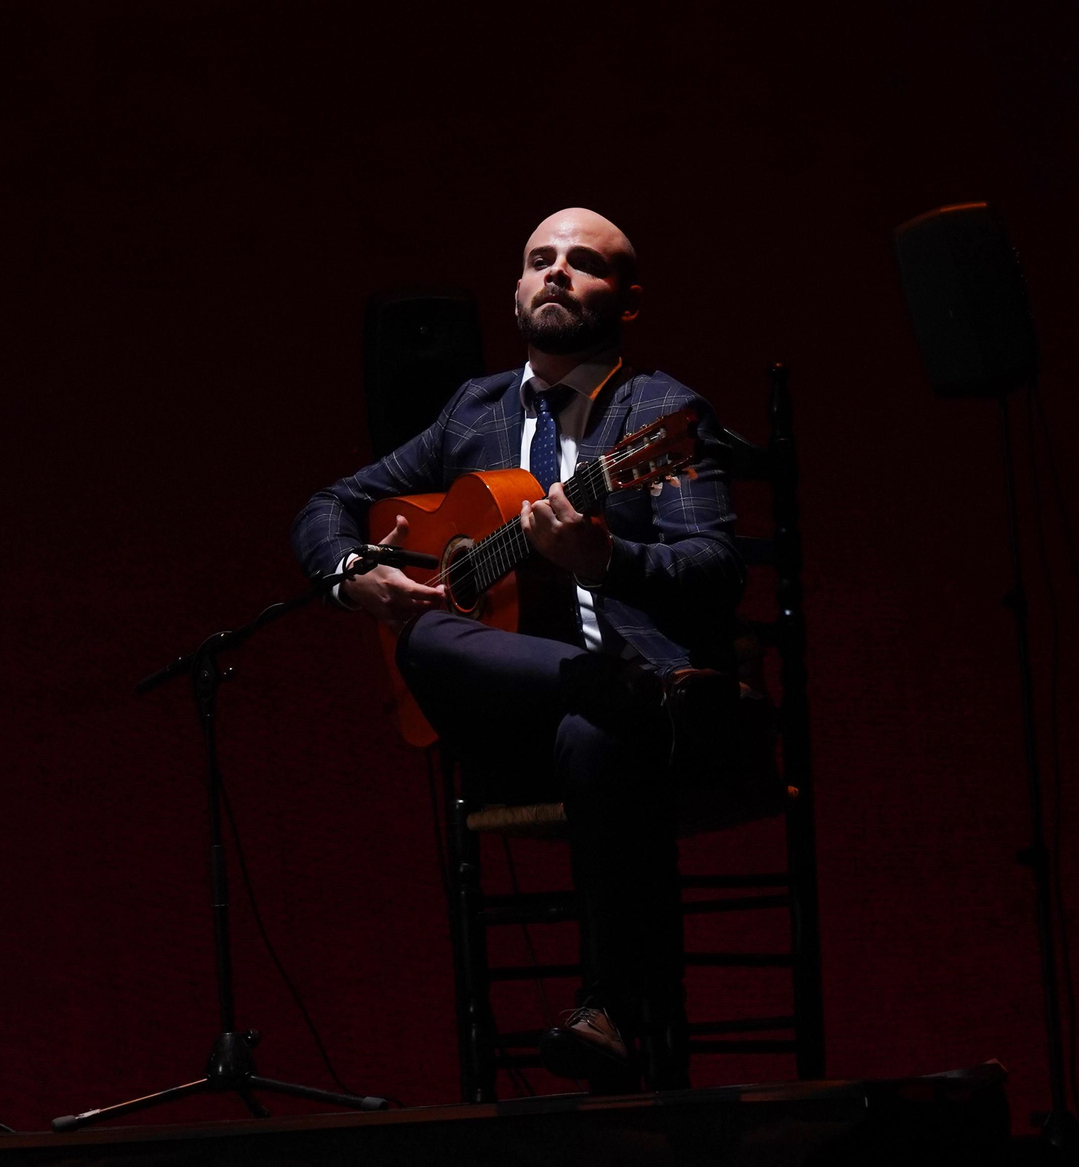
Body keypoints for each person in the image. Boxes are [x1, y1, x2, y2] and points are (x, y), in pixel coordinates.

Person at [292, 208, 757, 1092]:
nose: (556, 273)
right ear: (514, 290)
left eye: (584, 264)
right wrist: (350, 574)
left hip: (612, 731)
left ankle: (608, 1012)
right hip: (510, 719)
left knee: (596, 732)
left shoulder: (661, 413)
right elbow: (328, 502)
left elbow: (716, 568)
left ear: (625, 298)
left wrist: (605, 559)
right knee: (427, 630)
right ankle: (629, 694)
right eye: (539, 260)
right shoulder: (473, 410)